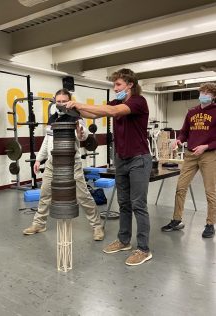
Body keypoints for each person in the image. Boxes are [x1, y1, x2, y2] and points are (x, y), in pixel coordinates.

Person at [66, 69, 152, 266]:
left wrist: (79, 104)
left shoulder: (138, 101)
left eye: (118, 85)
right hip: (121, 159)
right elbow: (93, 114)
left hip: (139, 159)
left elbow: (112, 112)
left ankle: (143, 249)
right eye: (114, 85)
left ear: (130, 84)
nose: (115, 89)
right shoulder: (116, 102)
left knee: (138, 204)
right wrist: (72, 109)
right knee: (123, 203)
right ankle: (123, 241)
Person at [23, 89, 105, 241]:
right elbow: (47, 140)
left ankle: (97, 226)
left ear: (70, 101)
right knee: (45, 194)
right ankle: (39, 224)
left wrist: (81, 132)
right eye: (58, 101)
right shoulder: (52, 118)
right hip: (52, 163)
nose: (61, 104)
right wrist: (39, 159)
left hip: (71, 163)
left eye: (64, 101)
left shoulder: (75, 117)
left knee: (83, 196)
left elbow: (82, 135)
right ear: (55, 101)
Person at [161, 83, 216, 238]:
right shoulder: (191, 112)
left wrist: (206, 146)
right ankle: (176, 220)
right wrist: (178, 140)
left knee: (210, 191)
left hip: (209, 155)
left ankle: (210, 224)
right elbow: (184, 132)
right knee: (180, 187)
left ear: (213, 96)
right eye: (202, 92)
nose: (203, 95)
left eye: (207, 92)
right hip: (191, 154)